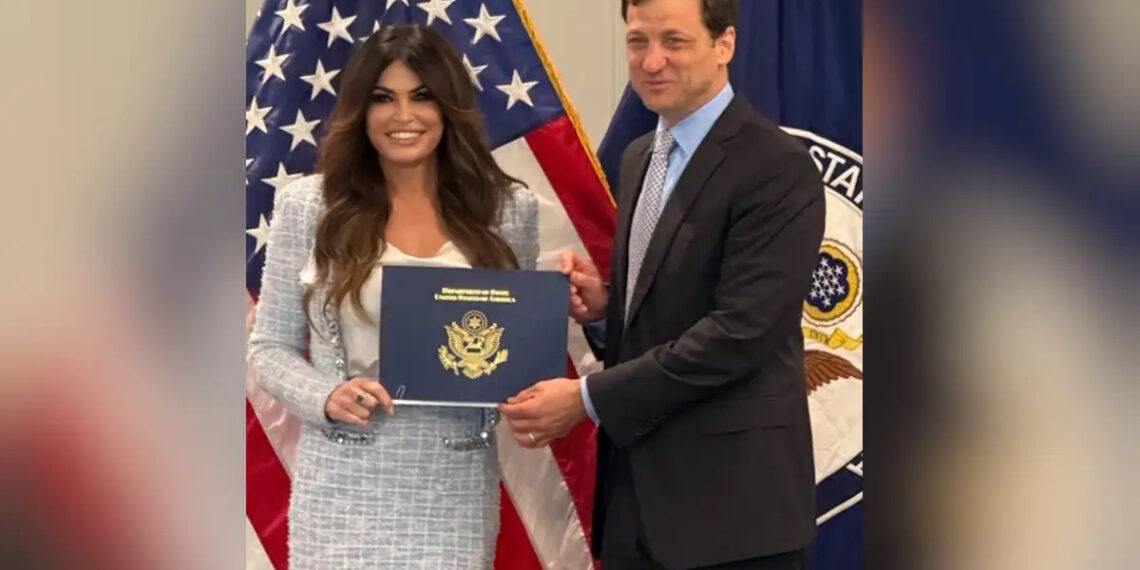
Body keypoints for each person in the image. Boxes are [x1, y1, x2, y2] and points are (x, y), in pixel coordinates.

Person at [499, 0, 824, 568]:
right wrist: (605, 309)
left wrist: (586, 398)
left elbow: (741, 333)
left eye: (674, 41)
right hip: (636, 509)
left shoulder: (776, 166)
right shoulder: (640, 157)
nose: (652, 61)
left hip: (735, 519)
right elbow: (665, 306)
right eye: (637, 42)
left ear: (724, 44)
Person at [247, 24, 538, 569]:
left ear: (449, 106)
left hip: (453, 490)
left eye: (421, 96)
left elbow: (515, 346)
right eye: (384, 98)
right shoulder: (310, 207)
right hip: (343, 491)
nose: (403, 116)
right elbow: (268, 348)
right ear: (361, 110)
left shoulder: (508, 211)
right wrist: (326, 396)